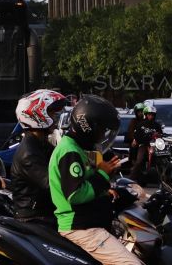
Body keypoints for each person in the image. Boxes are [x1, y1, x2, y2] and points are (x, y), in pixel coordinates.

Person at [48, 95, 142, 265]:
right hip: (81, 228)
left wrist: (106, 188)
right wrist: (103, 174)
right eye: (102, 130)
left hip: (90, 224)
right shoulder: (70, 152)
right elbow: (75, 194)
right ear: (88, 127)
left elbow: (88, 179)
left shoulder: (79, 148)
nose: (103, 135)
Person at [10, 89, 66, 227]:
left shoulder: (40, 142)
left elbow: (62, 161)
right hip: (34, 218)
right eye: (52, 113)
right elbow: (51, 183)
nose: (56, 117)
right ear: (37, 115)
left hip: (44, 212)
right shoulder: (28, 152)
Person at [129, 105, 164, 184]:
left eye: (152, 114)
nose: (150, 116)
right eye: (149, 114)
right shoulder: (140, 124)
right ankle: (130, 179)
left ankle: (165, 180)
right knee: (139, 161)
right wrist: (138, 141)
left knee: (162, 160)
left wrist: (159, 136)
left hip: (155, 146)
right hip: (143, 145)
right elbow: (137, 135)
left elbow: (161, 135)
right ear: (146, 115)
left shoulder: (157, 125)